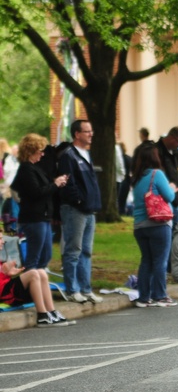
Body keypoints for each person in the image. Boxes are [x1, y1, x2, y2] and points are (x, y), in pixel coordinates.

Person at [57, 119, 103, 304]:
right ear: (77, 134)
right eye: (87, 131)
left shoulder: (86, 154)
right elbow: (67, 183)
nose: (91, 134)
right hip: (75, 210)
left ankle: (86, 288)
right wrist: (79, 200)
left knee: (86, 251)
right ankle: (72, 289)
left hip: (89, 210)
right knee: (73, 250)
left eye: (91, 131)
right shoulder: (68, 156)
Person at [10, 134, 67, 271]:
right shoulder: (26, 169)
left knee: (46, 255)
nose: (42, 154)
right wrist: (56, 184)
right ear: (31, 151)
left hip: (43, 216)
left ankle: (38, 283)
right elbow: (36, 192)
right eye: (39, 151)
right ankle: (29, 285)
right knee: (34, 257)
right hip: (34, 218)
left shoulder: (35, 168)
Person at [130, 143, 177, 307]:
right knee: (160, 260)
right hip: (158, 223)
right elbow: (170, 196)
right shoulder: (157, 174)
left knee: (146, 261)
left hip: (140, 225)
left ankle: (144, 297)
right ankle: (160, 295)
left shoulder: (136, 178)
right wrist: (171, 187)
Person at [0, 257, 70, 326]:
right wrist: (3, 273)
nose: (3, 244)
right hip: (5, 295)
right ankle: (42, 316)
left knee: (41, 272)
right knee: (33, 274)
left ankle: (52, 312)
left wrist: (8, 273)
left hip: (8, 289)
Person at [156, 126, 178, 226]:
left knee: (176, 231)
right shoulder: (156, 151)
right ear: (171, 138)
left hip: (176, 199)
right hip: (162, 199)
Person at [117, 142, 133, 215]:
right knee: (123, 200)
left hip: (121, 180)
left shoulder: (119, 159)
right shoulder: (129, 158)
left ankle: (120, 211)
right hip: (127, 181)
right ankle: (122, 212)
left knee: (119, 199)